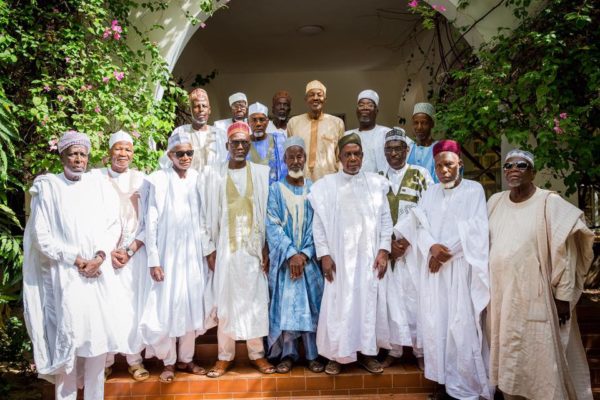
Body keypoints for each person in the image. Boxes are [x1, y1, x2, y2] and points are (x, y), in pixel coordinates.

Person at [487, 149, 594, 400]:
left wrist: (563, 296)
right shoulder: (495, 201)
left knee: (540, 360)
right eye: (508, 165)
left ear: (532, 172)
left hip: (538, 297)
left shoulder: (548, 202)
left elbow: (566, 253)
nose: (513, 169)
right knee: (509, 360)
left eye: (521, 165)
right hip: (502, 297)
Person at [23, 131, 120, 400]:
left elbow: (113, 224)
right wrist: (76, 259)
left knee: (97, 347)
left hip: (97, 276)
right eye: (73, 153)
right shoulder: (49, 186)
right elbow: (42, 237)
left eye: (83, 154)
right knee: (68, 345)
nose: (79, 159)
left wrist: (99, 256)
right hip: (65, 277)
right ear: (62, 155)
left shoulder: (99, 185)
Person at [394, 139, 492, 400]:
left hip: (459, 270)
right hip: (434, 272)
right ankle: (443, 384)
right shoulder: (430, 192)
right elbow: (420, 225)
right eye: (439, 166)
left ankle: (466, 388)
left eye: (449, 164)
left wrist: (445, 252)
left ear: (460, 163)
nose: (444, 170)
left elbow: (477, 228)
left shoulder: (474, 191)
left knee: (461, 328)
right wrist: (431, 247)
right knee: (436, 326)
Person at [308, 133, 392, 375]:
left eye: (357, 154)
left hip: (368, 260)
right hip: (338, 261)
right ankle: (337, 355)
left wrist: (384, 250)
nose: (353, 158)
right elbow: (319, 225)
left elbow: (386, 220)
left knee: (367, 305)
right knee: (338, 306)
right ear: (339, 157)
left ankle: (367, 354)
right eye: (348, 154)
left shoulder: (376, 184)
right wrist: (324, 254)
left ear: (363, 156)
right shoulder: (326, 186)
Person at [199, 121, 275, 377]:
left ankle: (257, 354)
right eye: (235, 143)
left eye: (244, 142)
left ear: (250, 144)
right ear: (227, 145)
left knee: (254, 301)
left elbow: (268, 214)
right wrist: (209, 248)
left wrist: (267, 247)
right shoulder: (213, 175)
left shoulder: (262, 174)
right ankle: (224, 356)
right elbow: (203, 214)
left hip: (253, 250)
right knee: (226, 300)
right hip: (226, 251)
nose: (240, 147)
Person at [139, 131, 213, 383]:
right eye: (180, 153)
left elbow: (204, 219)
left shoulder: (198, 179)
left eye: (189, 153)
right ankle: (168, 362)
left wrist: (207, 252)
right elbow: (151, 222)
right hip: (167, 257)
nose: (185, 157)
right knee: (168, 306)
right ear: (169, 155)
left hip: (192, 256)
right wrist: (154, 260)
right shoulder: (158, 180)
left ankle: (186, 359)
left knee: (192, 305)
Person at [93, 131, 149, 381]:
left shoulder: (142, 180)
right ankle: (104, 363)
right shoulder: (95, 180)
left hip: (134, 255)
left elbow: (150, 221)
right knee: (106, 307)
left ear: (133, 153)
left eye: (127, 149)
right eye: (118, 148)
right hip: (105, 257)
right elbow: (90, 221)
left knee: (132, 308)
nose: (123, 154)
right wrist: (105, 250)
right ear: (109, 152)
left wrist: (129, 250)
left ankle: (134, 361)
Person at [266, 136, 325, 374]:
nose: (296, 161)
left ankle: (312, 354)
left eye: (300, 156)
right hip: (285, 261)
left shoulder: (315, 190)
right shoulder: (275, 189)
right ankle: (288, 354)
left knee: (311, 306)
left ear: (305, 159)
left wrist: (305, 254)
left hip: (308, 261)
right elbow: (272, 224)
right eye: (291, 156)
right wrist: (291, 254)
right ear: (284, 159)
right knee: (287, 306)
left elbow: (318, 225)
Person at [378, 128, 432, 370]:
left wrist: (407, 241)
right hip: (388, 252)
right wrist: (388, 244)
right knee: (392, 301)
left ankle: (420, 352)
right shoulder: (377, 178)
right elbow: (372, 216)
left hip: (413, 251)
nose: (394, 153)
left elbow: (430, 210)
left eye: (398, 148)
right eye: (389, 149)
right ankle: (394, 350)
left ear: (407, 150)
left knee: (415, 300)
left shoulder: (421, 175)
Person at [287, 80, 344, 181]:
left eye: (319, 95)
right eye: (311, 95)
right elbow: (289, 155)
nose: (316, 98)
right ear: (306, 99)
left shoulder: (337, 123)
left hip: (329, 180)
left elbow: (341, 157)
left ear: (325, 99)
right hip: (301, 180)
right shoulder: (293, 123)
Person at [170, 88, 227, 171]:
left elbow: (226, 164)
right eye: (196, 106)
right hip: (187, 182)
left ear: (209, 110)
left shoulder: (220, 135)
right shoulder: (180, 132)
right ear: (190, 110)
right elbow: (168, 162)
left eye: (204, 106)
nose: (201, 110)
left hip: (214, 182)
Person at [344, 89, 390, 173]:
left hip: (381, 183)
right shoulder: (347, 136)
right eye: (361, 105)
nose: (365, 108)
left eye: (370, 105)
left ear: (376, 111)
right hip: (353, 183)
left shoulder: (386, 133)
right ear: (356, 111)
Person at [247, 101, 287, 185]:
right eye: (254, 120)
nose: (258, 124)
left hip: (275, 193)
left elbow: (286, 167)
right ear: (248, 122)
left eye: (262, 120)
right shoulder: (241, 144)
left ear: (267, 122)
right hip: (252, 194)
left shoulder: (279, 140)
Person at [407, 102, 439, 183]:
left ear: (432, 124)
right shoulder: (408, 149)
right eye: (416, 123)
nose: (419, 127)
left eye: (424, 123)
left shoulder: (439, 149)